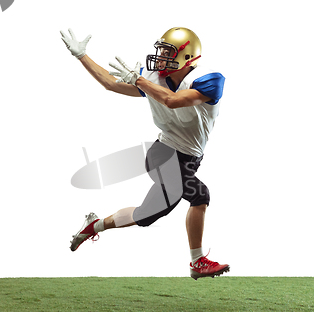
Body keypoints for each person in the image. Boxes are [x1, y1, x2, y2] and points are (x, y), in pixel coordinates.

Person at [60, 27, 229, 280]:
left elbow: (172, 100)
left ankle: (93, 225)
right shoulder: (152, 78)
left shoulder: (209, 80)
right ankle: (198, 262)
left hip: (188, 160)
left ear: (187, 57)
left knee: (145, 216)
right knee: (200, 195)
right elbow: (109, 82)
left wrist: (139, 80)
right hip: (163, 154)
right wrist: (82, 56)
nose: (160, 57)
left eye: (167, 52)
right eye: (160, 50)